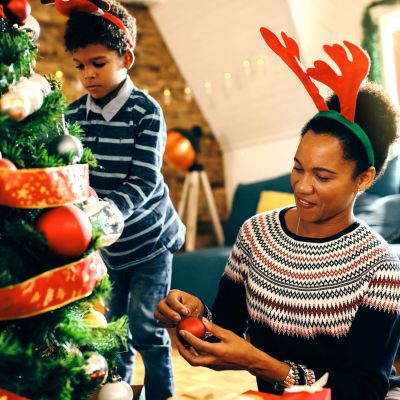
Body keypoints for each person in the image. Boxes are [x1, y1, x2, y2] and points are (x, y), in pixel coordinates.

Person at [155, 30, 400, 400]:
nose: (302, 185)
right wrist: (192, 315)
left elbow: (363, 388)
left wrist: (259, 363)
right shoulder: (256, 234)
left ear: (363, 179)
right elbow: (224, 329)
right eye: (298, 168)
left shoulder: (381, 268)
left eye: (323, 176)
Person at [63, 2, 185, 399]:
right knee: (115, 326)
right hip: (109, 247)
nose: (88, 75)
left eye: (98, 63)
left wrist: (107, 212)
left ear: (126, 58)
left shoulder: (145, 111)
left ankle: (161, 394)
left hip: (150, 241)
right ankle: (120, 392)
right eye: (80, 66)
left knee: (146, 326)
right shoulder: (73, 115)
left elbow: (146, 178)